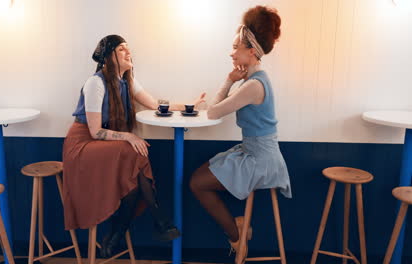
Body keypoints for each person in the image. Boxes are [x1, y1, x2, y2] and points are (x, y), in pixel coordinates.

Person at [62, 34, 205, 257]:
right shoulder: (95, 83)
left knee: (134, 175)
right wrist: (128, 137)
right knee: (132, 150)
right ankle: (158, 220)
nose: (129, 53)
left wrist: (188, 106)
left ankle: (118, 234)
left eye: (128, 49)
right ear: (109, 56)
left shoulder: (127, 81)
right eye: (122, 49)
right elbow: (95, 131)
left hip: (103, 144)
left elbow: (156, 104)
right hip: (82, 145)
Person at [189, 5, 292, 261]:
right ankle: (237, 228)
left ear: (251, 50)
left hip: (261, 160)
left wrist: (229, 81)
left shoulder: (254, 86)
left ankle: (237, 237)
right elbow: (215, 109)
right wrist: (233, 78)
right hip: (253, 152)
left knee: (197, 183)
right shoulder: (252, 82)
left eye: (236, 47)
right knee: (198, 180)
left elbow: (212, 112)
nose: (231, 52)